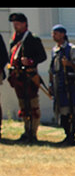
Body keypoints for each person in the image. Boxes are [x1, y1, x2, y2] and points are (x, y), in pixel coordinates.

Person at [7, 13, 48, 143]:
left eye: (18, 23)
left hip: (29, 76)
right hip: (18, 77)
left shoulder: (32, 38)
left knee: (33, 105)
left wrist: (30, 61)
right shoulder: (14, 39)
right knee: (23, 106)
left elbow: (42, 56)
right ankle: (26, 130)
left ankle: (33, 132)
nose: (15, 26)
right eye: (14, 24)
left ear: (24, 24)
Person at [47, 25, 75, 146]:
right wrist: (50, 84)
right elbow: (51, 70)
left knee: (70, 111)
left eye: (56, 33)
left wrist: (69, 64)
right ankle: (66, 133)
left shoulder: (71, 49)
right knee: (61, 111)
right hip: (58, 84)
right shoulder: (54, 50)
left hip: (68, 84)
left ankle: (71, 135)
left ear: (62, 34)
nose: (53, 36)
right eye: (53, 33)